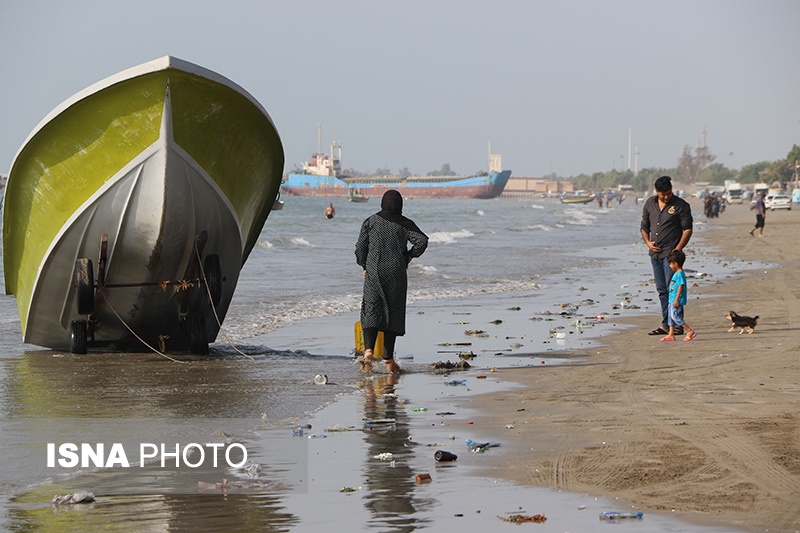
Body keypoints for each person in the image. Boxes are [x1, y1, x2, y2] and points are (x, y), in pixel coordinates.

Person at [355, 190, 428, 373]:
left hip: (374, 271)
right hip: (396, 272)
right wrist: (410, 255)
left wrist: (365, 265)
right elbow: (422, 241)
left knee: (372, 307)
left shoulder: (370, 221)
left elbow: (360, 248)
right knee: (392, 312)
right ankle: (388, 358)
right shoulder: (404, 223)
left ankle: (368, 350)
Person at [641, 176, 693, 336]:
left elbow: (687, 229)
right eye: (663, 194)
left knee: (674, 289)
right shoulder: (650, 203)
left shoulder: (681, 205)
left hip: (671, 255)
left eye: (669, 193)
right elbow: (644, 226)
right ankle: (666, 324)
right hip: (655, 254)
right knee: (662, 290)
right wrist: (648, 243)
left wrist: (677, 250)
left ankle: (677, 324)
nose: (666, 197)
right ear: (657, 192)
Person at [660, 249, 696, 342]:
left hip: (676, 300)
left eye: (670, 263)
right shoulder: (676, 273)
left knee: (675, 316)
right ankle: (671, 334)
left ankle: (689, 330)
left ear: (675, 263)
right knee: (670, 318)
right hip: (671, 299)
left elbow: (681, 286)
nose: (670, 266)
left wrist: (676, 299)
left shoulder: (680, 274)